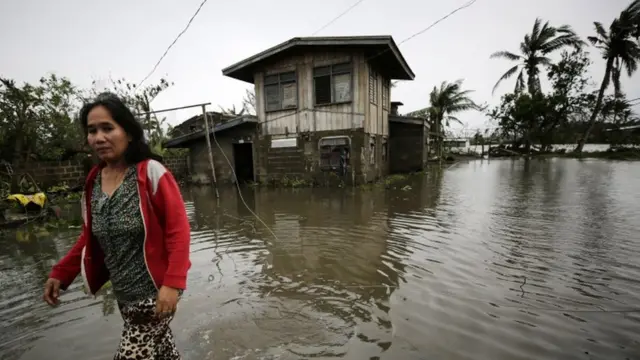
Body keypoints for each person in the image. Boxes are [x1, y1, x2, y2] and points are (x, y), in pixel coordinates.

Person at [43, 92, 191, 359]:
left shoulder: (151, 173)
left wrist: (173, 284)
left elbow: (178, 231)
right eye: (92, 131)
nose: (99, 137)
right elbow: (90, 237)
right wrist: (61, 273)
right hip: (124, 298)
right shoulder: (94, 181)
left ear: (128, 132)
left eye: (108, 128)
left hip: (154, 296)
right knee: (163, 354)